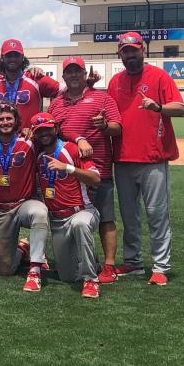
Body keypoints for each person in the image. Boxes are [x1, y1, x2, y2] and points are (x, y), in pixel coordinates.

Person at [107, 31, 184, 286]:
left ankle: (161, 266)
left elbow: (181, 108)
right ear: (120, 54)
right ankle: (132, 263)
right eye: (125, 51)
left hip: (153, 158)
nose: (130, 55)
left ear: (142, 50)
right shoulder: (115, 82)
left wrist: (159, 107)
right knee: (129, 215)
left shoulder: (159, 76)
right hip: (123, 158)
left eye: (134, 50)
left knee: (156, 214)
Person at [46, 55, 122, 283]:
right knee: (72, 219)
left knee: (106, 219)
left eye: (77, 71)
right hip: (66, 173)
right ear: (63, 76)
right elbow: (52, 132)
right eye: (69, 71)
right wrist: (78, 138)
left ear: (85, 74)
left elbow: (117, 128)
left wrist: (105, 126)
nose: (73, 75)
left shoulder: (102, 98)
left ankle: (108, 265)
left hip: (97, 170)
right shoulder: (56, 103)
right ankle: (78, 260)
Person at [0, 102, 49, 292]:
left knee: (39, 212)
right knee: (2, 269)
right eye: (0, 119)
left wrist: (79, 139)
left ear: (16, 121)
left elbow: (53, 133)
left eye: (9, 118)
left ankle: (35, 270)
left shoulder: (30, 140)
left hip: (23, 204)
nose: (5, 122)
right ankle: (22, 249)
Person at [30, 112, 102, 299]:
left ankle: (91, 279)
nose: (44, 134)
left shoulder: (71, 149)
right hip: (57, 219)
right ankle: (91, 261)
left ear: (55, 129)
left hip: (82, 211)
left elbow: (95, 179)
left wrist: (67, 168)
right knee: (67, 277)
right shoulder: (39, 157)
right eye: (39, 131)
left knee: (81, 225)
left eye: (47, 129)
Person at [0, 39, 61, 125]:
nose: (13, 59)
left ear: (22, 57)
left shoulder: (35, 79)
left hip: (29, 137)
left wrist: (50, 117)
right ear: (2, 58)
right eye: (9, 56)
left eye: (16, 55)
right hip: (1, 137)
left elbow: (67, 90)